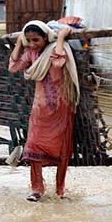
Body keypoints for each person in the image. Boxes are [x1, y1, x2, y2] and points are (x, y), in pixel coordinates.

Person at [9, 20, 80, 202]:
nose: (33, 44)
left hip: (61, 109)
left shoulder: (54, 49)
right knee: (32, 146)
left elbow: (58, 62)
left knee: (62, 151)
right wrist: (19, 43)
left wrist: (62, 37)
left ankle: (59, 189)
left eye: (36, 40)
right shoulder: (31, 53)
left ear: (45, 37)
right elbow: (13, 66)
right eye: (29, 40)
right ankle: (37, 188)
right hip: (39, 110)